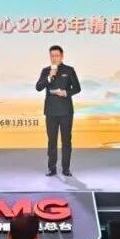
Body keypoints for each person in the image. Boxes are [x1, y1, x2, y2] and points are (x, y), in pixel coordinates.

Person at [35, 45, 81, 176]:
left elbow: (77, 88)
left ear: (62, 56)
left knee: (66, 141)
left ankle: (66, 169)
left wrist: (66, 92)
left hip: (66, 111)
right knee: (52, 141)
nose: (54, 58)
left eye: (57, 55)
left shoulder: (69, 70)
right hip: (51, 111)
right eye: (52, 56)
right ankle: (52, 168)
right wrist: (49, 77)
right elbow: (38, 87)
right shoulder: (46, 71)